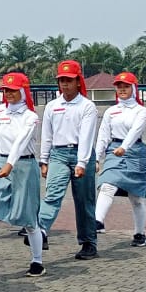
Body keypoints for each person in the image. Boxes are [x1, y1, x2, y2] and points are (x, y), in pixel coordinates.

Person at [0, 73, 45, 275]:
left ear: (23, 91)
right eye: (5, 90)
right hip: (1, 164)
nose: (8, 94)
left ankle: (37, 260)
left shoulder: (30, 117)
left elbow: (21, 142)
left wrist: (10, 163)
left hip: (24, 166)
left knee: (29, 218)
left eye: (13, 90)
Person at [36, 60, 99, 260]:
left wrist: (82, 163)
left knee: (84, 201)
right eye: (62, 80)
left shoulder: (87, 106)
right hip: (59, 155)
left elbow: (87, 136)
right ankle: (41, 231)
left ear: (78, 82)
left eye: (69, 80)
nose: (65, 84)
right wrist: (43, 160)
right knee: (52, 194)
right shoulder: (52, 106)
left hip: (82, 154)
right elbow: (47, 134)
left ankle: (88, 242)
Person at [94, 72, 146, 246]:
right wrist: (96, 157)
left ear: (133, 88)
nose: (122, 90)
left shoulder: (141, 111)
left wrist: (124, 147)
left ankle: (139, 233)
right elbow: (103, 134)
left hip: (135, 153)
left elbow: (136, 131)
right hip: (114, 151)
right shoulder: (111, 111)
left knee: (136, 198)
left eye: (126, 86)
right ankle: (97, 221)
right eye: (119, 86)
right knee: (107, 185)